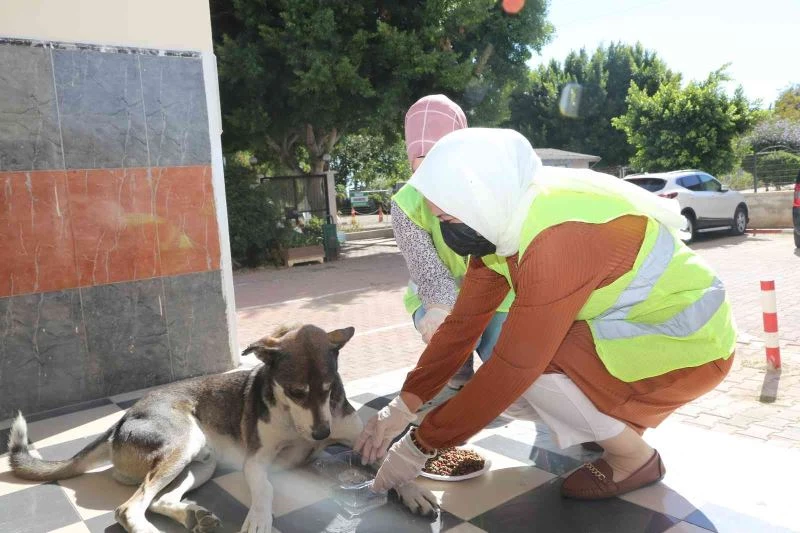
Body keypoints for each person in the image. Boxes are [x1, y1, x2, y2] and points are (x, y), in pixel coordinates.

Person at [357, 128, 735, 499]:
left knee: (533, 364)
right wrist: (404, 404)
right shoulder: (503, 222)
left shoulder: (556, 239)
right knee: (528, 366)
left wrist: (421, 445)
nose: (449, 234)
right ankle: (613, 429)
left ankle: (632, 460)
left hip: (690, 341)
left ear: (480, 198)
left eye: (450, 221)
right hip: (638, 331)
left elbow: (513, 367)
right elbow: (461, 326)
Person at [392, 94, 515, 390]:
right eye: (418, 163)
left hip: (501, 291)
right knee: (444, 331)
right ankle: (458, 362)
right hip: (443, 294)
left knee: (506, 359)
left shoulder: (493, 186)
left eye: (437, 160)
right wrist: (438, 311)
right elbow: (430, 273)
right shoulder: (405, 205)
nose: (429, 177)